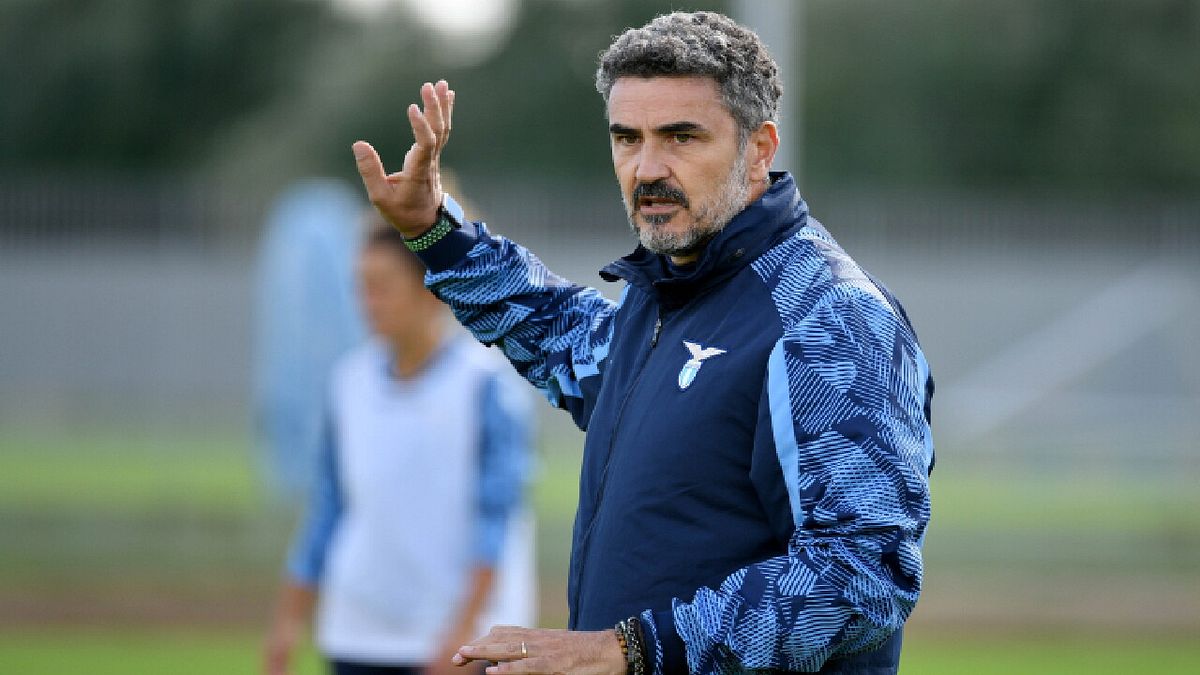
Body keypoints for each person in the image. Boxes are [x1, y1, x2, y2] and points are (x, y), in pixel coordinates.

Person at [352, 11, 934, 675]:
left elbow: (861, 578)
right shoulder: (666, 294)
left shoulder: (827, 316)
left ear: (761, 148)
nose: (647, 167)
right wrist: (434, 230)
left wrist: (630, 648)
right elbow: (564, 338)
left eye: (681, 137)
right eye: (626, 138)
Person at [264, 220, 537, 675]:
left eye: (381, 288)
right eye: (361, 288)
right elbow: (329, 508)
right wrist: (288, 622)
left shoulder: (486, 386)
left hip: (456, 646)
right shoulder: (348, 382)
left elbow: (497, 521)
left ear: (430, 289)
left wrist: (462, 636)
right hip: (358, 635)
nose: (367, 303)